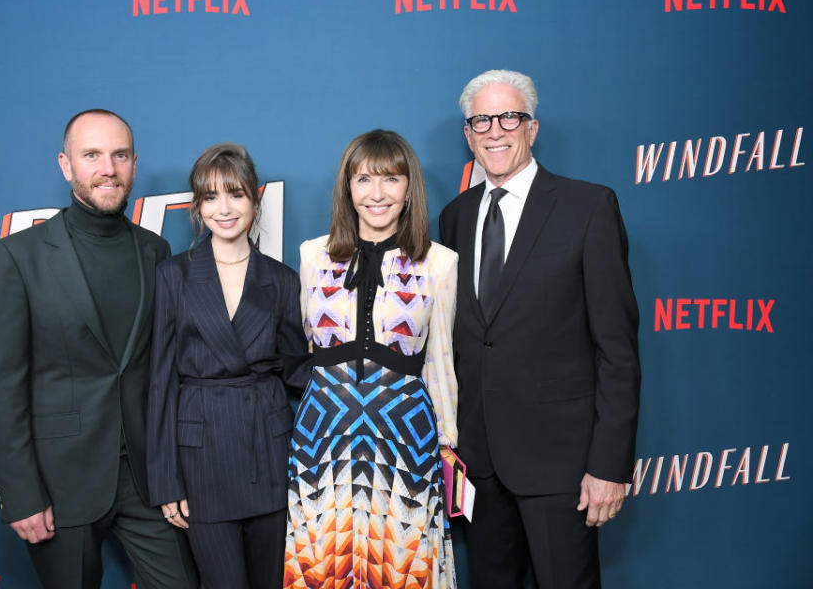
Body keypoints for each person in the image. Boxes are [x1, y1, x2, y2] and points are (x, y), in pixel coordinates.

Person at [438, 69, 641, 589]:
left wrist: (609, 466)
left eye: (509, 117)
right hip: (480, 465)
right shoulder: (454, 217)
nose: (494, 130)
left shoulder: (587, 207)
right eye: (480, 120)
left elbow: (616, 349)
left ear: (532, 127)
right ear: (467, 134)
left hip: (563, 467)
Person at [0, 110, 197, 588]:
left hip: (147, 481)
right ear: (66, 165)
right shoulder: (17, 257)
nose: (108, 168)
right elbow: (3, 387)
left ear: (135, 165)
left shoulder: (154, 251)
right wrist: (20, 494)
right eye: (92, 155)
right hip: (60, 486)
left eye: (120, 155)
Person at [285, 129, 458, 588]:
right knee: (325, 562)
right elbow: (304, 351)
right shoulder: (311, 255)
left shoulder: (439, 262)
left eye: (391, 180)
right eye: (363, 180)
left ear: (409, 189)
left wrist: (448, 442)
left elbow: (440, 360)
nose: (376, 194)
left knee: (401, 564)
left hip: (405, 433)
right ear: (347, 188)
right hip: (324, 433)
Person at [147, 143, 312, 589]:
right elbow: (160, 381)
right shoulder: (174, 276)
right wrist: (165, 481)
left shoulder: (281, 279)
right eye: (211, 196)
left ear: (254, 202)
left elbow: (299, 370)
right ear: (198, 207)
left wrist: (359, 384)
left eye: (236, 194)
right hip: (201, 460)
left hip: (270, 451)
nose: (225, 208)